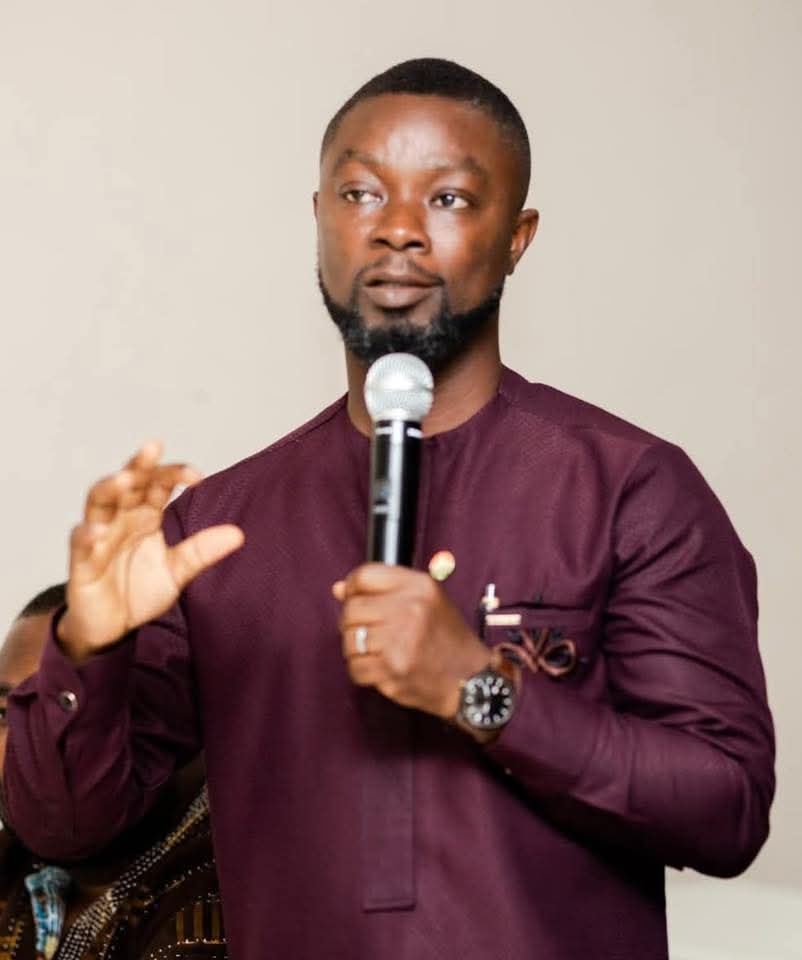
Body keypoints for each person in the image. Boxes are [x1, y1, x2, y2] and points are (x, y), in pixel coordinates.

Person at [2, 59, 774, 959]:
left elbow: (726, 810)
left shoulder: (628, 488)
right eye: (362, 192)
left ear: (517, 237)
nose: (398, 228)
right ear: (320, 218)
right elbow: (64, 830)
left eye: (448, 199)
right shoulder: (216, 528)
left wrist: (477, 690)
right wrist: (88, 647)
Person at [0, 586, 226, 959]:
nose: (26, 745)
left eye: (63, 712)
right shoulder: (12, 865)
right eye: (7, 713)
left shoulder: (225, 898)